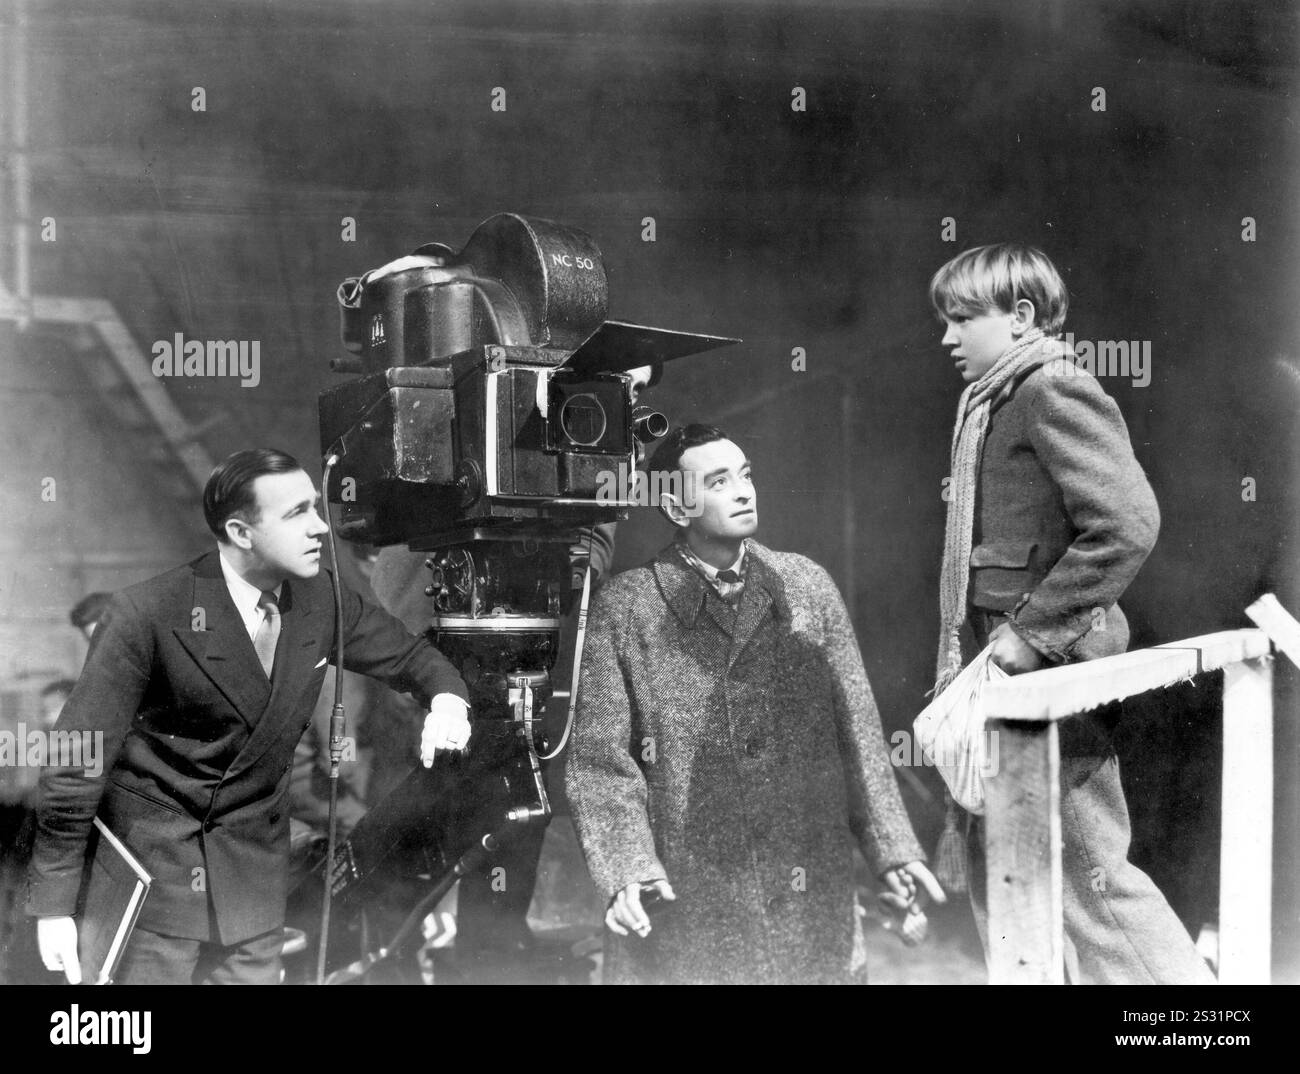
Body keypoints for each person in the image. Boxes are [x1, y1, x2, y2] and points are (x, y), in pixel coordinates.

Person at [26, 448, 472, 985]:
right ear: (241, 532)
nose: (321, 529)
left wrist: (447, 700)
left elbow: (411, 657)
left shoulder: (322, 600)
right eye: (296, 514)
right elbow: (76, 763)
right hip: (154, 889)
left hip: (256, 889)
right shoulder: (146, 614)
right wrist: (53, 906)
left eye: (315, 507)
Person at [928, 243, 1213, 984]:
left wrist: (1033, 634)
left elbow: (1126, 523)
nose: (947, 338)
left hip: (1050, 682)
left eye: (962, 319)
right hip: (1000, 677)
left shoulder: (1050, 387)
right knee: (1006, 884)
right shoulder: (994, 399)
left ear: (1021, 316)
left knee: (1092, 886)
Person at [565, 424, 942, 984]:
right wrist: (626, 870)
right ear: (675, 505)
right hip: (691, 902)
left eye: (745, 475)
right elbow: (601, 767)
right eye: (718, 481)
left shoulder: (807, 587)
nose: (744, 491)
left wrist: (891, 849)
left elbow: (859, 734)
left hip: (810, 892)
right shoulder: (626, 609)